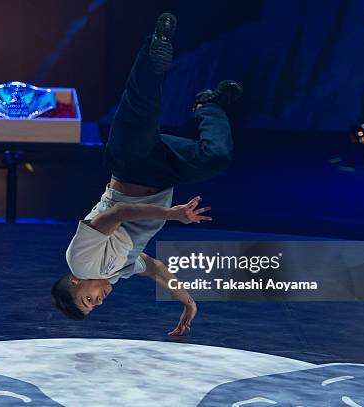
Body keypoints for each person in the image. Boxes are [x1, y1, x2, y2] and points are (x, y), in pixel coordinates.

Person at [51, 13, 242, 336]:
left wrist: (171, 214)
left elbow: (118, 212)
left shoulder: (81, 262)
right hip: (164, 173)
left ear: (75, 282)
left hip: (131, 166)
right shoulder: (114, 272)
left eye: (87, 300)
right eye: (94, 307)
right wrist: (187, 302)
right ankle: (208, 106)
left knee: (142, 103)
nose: (97, 302)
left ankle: (157, 44)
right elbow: (154, 269)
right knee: (216, 157)